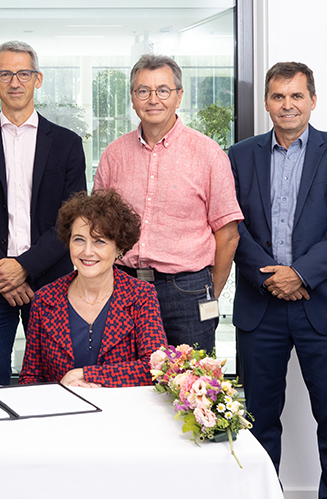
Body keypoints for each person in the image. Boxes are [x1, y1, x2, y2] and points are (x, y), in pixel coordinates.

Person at [229, 62, 327, 499]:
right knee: (257, 421)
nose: (288, 104)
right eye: (278, 95)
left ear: (312, 100)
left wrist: (299, 275)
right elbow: (229, 223)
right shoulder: (238, 156)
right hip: (260, 306)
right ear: (266, 102)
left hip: (324, 306)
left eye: (297, 95)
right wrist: (270, 275)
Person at [0, 40, 87, 385]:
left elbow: (72, 217)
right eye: (5, 74)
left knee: (56, 380)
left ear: (37, 79)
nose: (15, 82)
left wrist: (23, 268)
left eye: (23, 73)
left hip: (52, 283)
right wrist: (3, 272)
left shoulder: (67, 143)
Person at [93, 54, 242, 354]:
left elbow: (228, 235)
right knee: (122, 380)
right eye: (143, 91)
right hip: (123, 286)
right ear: (133, 98)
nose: (153, 99)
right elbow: (99, 229)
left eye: (163, 90)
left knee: (191, 387)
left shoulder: (209, 154)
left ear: (179, 96)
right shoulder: (113, 154)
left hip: (187, 291)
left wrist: (209, 294)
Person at [20, 190, 167, 387]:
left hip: (121, 413)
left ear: (119, 248)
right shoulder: (45, 298)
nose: (87, 251)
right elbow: (29, 377)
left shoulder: (140, 295)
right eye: (79, 239)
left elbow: (156, 368)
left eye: (100, 241)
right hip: (62, 412)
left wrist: (86, 375)